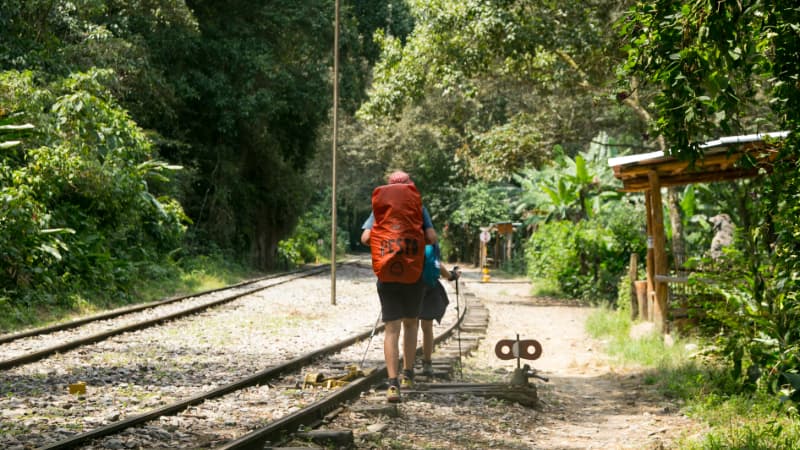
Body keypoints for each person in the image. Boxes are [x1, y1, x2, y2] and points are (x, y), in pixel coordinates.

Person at [361, 170, 437, 403]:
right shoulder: (418, 208)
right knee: (411, 324)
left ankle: (392, 384)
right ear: (410, 187)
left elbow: (365, 238)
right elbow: (432, 238)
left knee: (391, 328)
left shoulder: (380, 209)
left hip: (387, 274)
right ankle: (408, 374)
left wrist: (387, 243)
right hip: (413, 275)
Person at [418, 243, 460, 377]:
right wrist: (451, 275)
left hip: (410, 286)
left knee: (409, 326)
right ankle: (427, 363)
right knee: (427, 326)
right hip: (429, 286)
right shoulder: (430, 241)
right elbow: (436, 264)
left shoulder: (406, 237)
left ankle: (407, 367)